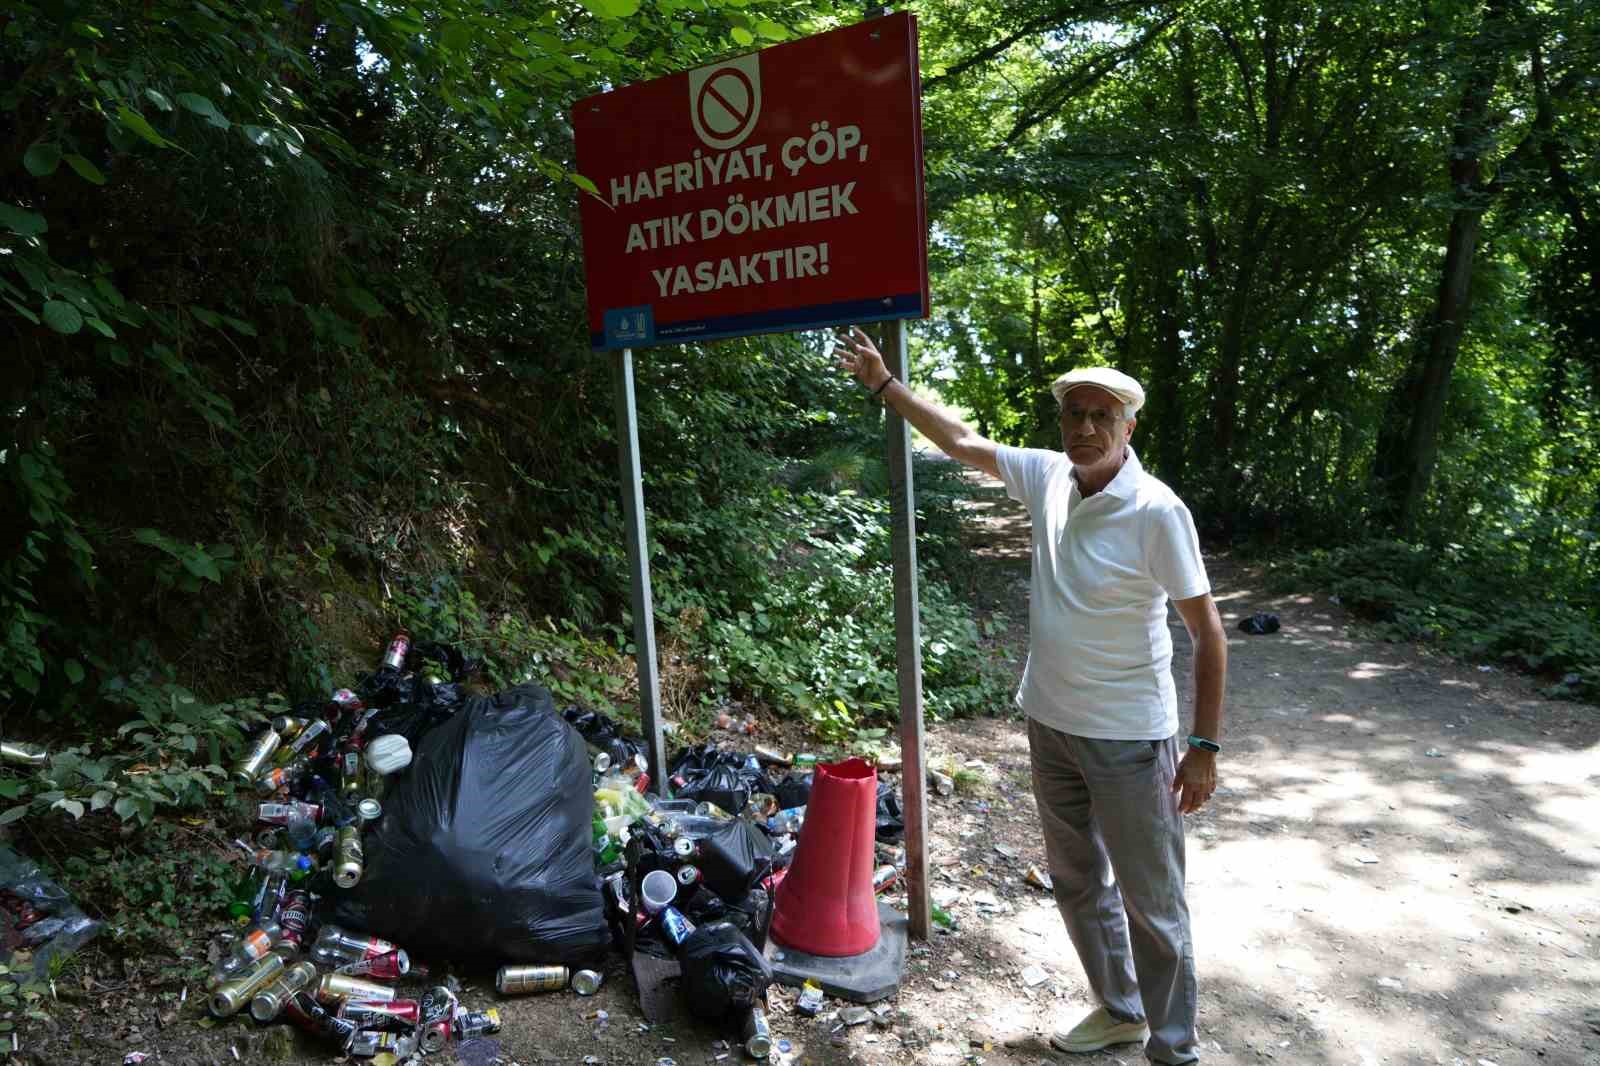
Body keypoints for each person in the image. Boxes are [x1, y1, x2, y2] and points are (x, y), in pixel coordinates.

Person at [834, 327, 1226, 1065]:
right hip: (1049, 723)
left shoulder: (1157, 511)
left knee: (1154, 903)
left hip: (1129, 735)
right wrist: (886, 385)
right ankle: (1121, 1009)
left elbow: (1208, 633)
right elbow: (959, 441)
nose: (1083, 428)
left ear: (1128, 427)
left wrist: (1203, 745)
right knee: (1078, 881)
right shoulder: (1048, 475)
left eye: (1099, 416)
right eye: (1073, 414)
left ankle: (1175, 1048)